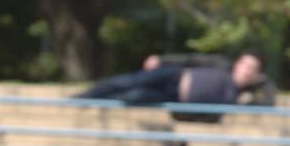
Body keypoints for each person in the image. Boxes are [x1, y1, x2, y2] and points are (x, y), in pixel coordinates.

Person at [75, 51, 273, 106]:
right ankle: (85, 97)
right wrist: (162, 60)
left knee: (135, 97)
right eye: (245, 64)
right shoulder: (220, 65)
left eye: (252, 68)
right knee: (128, 81)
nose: (246, 70)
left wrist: (263, 81)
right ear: (237, 63)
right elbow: (191, 58)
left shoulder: (238, 96)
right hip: (173, 75)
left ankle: (97, 102)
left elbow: (269, 101)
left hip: (172, 97)